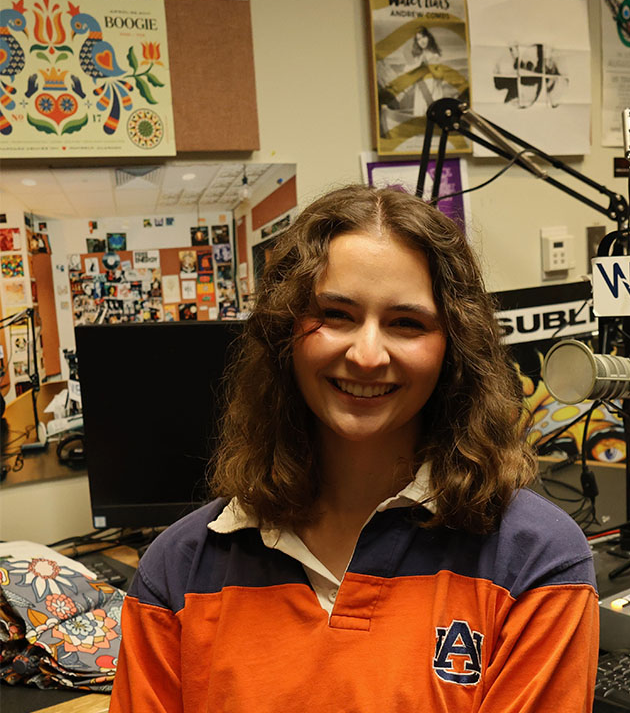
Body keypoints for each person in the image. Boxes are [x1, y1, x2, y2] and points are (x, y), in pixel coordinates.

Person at [110, 185, 599, 712]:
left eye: (406, 323)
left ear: (453, 348)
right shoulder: (179, 572)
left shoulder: (535, 562)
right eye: (337, 315)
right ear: (284, 333)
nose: (367, 355)